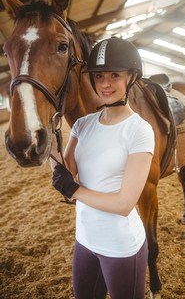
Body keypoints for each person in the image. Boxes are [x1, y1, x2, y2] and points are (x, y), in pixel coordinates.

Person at [50, 37, 155, 299]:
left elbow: (123, 204)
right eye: (98, 76)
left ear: (132, 78)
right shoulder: (82, 125)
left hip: (120, 246)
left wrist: (73, 191)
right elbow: (65, 175)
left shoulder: (140, 131)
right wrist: (50, 138)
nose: (105, 84)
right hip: (85, 239)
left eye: (114, 75)